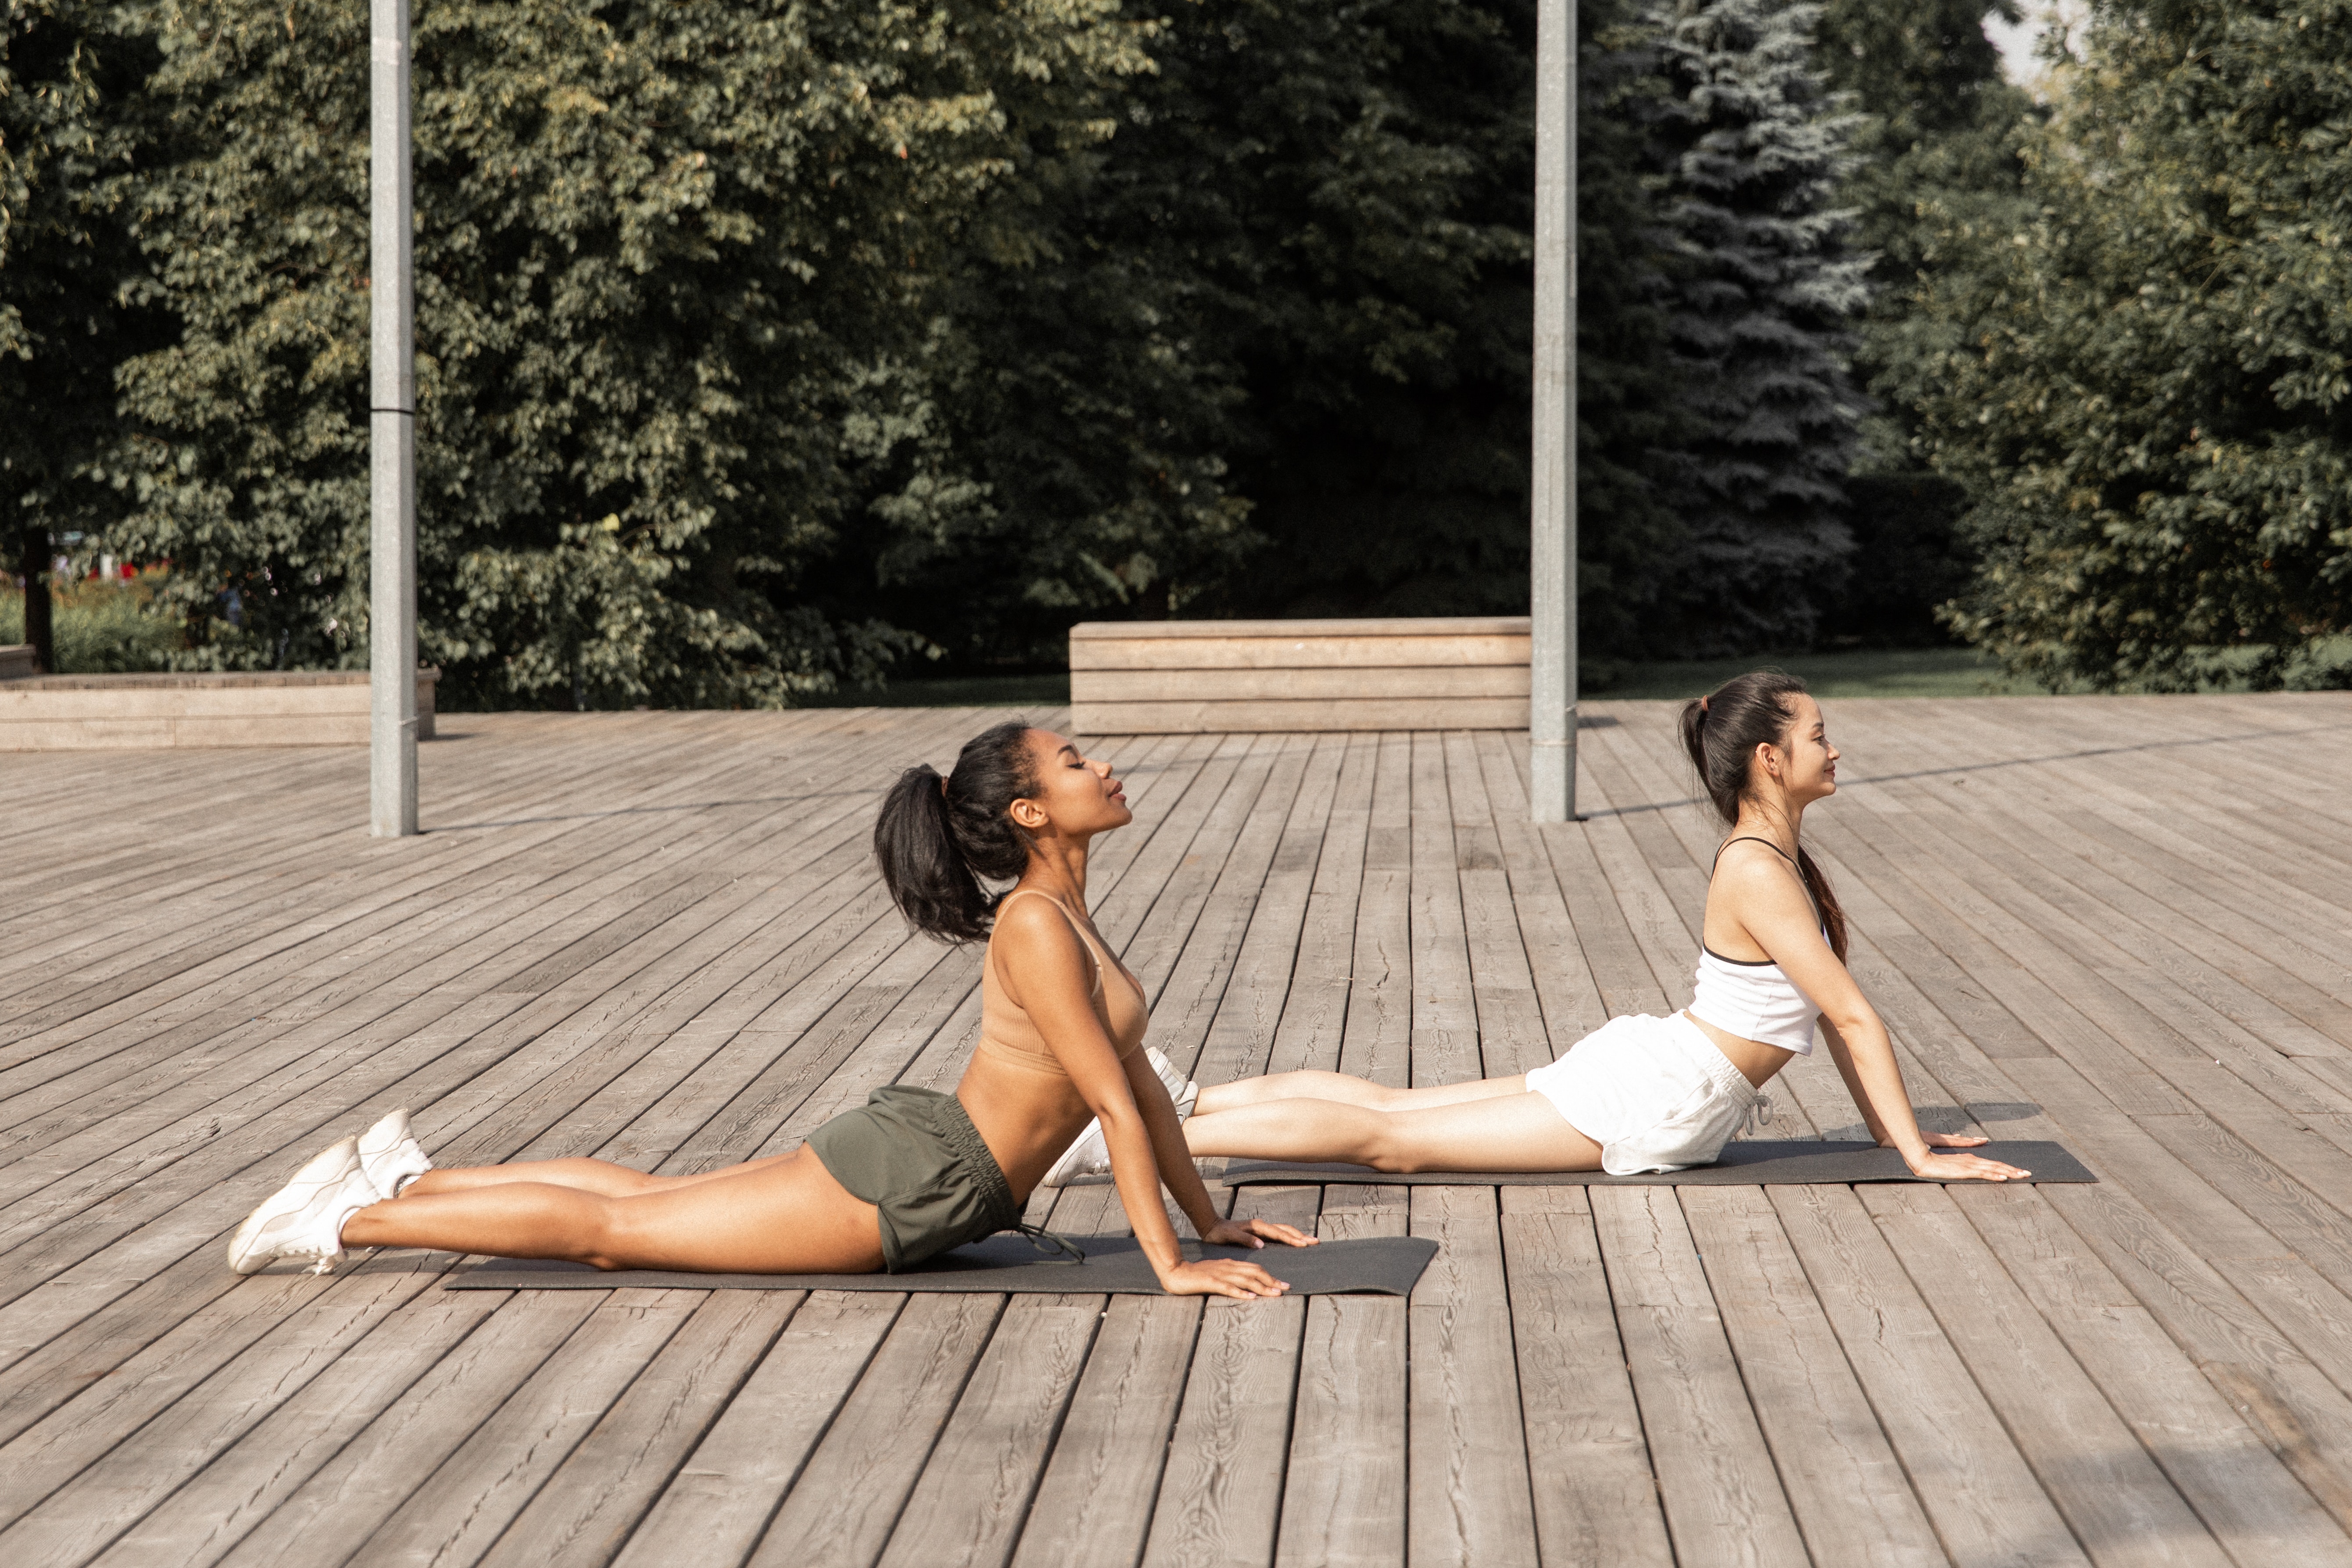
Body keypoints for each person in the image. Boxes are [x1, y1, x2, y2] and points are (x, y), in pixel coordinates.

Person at [225, 721, 1316, 1298]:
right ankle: (341, 1220)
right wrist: (1171, 1260)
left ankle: (405, 1177)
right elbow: (1113, 1111)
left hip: (929, 1158)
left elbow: (1135, 1088)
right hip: (925, 1177)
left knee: (656, 1204)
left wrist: (1204, 1216)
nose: (1106, 765)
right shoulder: (1037, 923)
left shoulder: (1063, 911)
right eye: (1078, 760)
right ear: (1031, 808)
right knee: (620, 1236)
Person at [1052, 671, 2028, 1184]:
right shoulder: (1756, 868)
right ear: (1769, 759)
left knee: (1396, 1111)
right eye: (1818, 733)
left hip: (1667, 1066)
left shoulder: (1765, 860)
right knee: (1392, 1140)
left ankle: (1172, 1107)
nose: (1834, 745)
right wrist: (1910, 1151)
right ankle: (1138, 1130)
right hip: (1667, 1090)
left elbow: (1827, 1021)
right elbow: (1852, 1020)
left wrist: (1891, 1132)